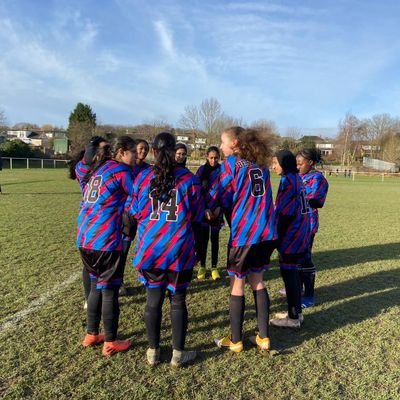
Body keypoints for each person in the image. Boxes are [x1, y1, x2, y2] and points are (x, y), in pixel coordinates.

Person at [128, 132, 204, 367]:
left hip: (150, 249)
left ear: (153, 151)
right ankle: (178, 354)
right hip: (178, 250)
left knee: (153, 300)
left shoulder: (142, 178)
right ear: (174, 151)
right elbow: (198, 216)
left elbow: (134, 212)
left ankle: (153, 352)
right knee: (178, 301)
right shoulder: (189, 179)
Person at [211, 127, 276, 352]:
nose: (220, 146)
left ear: (235, 143)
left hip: (245, 234)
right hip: (266, 232)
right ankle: (263, 337)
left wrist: (211, 208)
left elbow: (221, 194)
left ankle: (236, 340)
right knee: (258, 280)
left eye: (222, 141)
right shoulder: (261, 166)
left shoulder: (232, 164)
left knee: (237, 283)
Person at [77, 135, 137, 356]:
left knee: (95, 286)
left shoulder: (98, 169)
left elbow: (80, 172)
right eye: (133, 153)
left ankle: (92, 333)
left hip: (85, 238)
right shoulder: (121, 171)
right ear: (121, 152)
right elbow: (138, 195)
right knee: (110, 290)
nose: (136, 158)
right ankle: (110, 341)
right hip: (105, 241)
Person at [270, 150, 310, 328]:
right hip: (300, 233)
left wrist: (275, 239)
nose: (273, 166)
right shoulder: (297, 178)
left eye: (275, 163)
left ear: (284, 164)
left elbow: (285, 214)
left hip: (291, 235)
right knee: (292, 274)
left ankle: (293, 318)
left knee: (289, 275)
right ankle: (296, 314)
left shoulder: (288, 181)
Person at [68, 137, 109, 309]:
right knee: (91, 266)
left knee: (98, 263)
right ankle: (90, 298)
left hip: (100, 221)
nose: (106, 153)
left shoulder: (104, 169)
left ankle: (97, 296)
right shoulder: (84, 169)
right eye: (103, 149)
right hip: (93, 222)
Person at [296, 148, 329, 308]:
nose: (297, 166)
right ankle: (297, 286)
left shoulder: (318, 179)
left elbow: (318, 201)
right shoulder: (297, 176)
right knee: (294, 258)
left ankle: (309, 295)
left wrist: (299, 199)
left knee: (305, 258)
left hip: (307, 224)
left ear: (310, 162)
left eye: (300, 163)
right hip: (293, 224)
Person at [119, 138, 151, 297]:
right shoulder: (125, 168)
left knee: (145, 247)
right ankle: (119, 282)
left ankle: (146, 279)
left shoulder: (149, 169)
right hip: (127, 214)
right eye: (140, 148)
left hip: (144, 214)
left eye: (146, 149)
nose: (143, 151)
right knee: (123, 249)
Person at [195, 146, 223, 280]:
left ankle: (214, 267)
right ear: (206, 157)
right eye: (211, 158)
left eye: (216, 158)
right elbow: (197, 193)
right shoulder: (201, 171)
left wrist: (219, 207)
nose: (213, 160)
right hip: (204, 210)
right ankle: (202, 266)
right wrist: (205, 209)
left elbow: (227, 190)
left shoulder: (222, 170)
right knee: (203, 240)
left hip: (217, 210)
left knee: (215, 239)